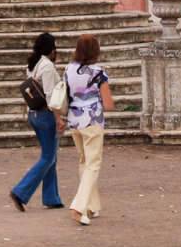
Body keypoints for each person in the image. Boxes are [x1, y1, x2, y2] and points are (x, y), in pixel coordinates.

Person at [9, 32, 65, 212]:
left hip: (34, 114)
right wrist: (58, 118)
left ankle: (51, 197)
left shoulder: (32, 65)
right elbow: (50, 97)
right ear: (52, 49)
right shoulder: (47, 67)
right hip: (46, 116)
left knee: (50, 156)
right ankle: (21, 191)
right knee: (48, 156)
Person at [64, 33, 114, 226]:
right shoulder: (98, 72)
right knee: (93, 164)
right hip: (92, 121)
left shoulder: (68, 69)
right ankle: (79, 205)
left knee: (84, 161)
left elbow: (67, 95)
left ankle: (92, 206)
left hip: (74, 120)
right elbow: (108, 102)